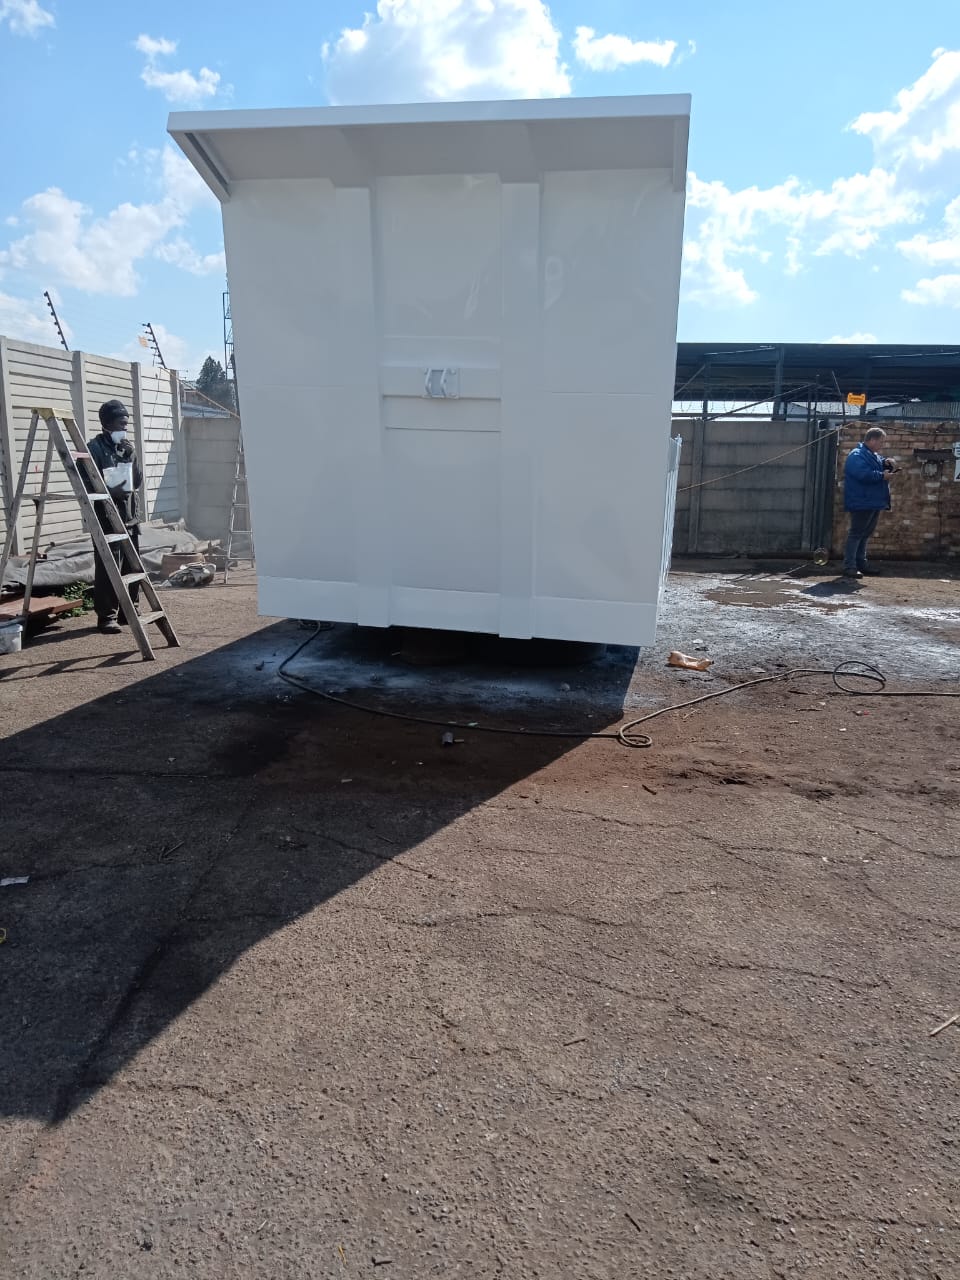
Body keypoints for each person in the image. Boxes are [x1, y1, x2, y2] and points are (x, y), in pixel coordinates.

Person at [86, 400, 143, 633]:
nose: (125, 428)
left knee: (132, 565)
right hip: (107, 517)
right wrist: (111, 490)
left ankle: (129, 611)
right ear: (107, 424)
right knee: (109, 566)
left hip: (129, 515)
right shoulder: (93, 449)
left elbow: (136, 482)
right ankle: (106, 616)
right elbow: (87, 483)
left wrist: (132, 456)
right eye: (121, 423)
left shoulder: (126, 448)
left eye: (126, 424)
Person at [842, 426, 896, 580]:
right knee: (856, 534)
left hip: (871, 501)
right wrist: (882, 476)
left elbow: (876, 464)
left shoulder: (871, 454)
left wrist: (886, 461)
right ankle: (850, 566)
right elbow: (863, 474)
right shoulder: (857, 455)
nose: (882, 445)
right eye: (881, 441)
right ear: (872, 440)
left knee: (864, 534)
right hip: (862, 501)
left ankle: (861, 563)